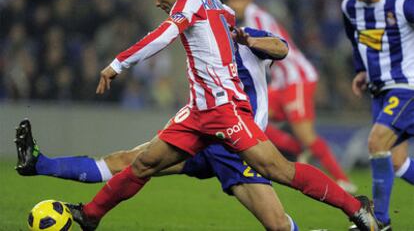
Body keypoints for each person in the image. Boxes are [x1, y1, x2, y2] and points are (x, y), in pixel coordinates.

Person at [22, 0, 377, 230]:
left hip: (226, 111)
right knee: (142, 163)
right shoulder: (214, 4)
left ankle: (354, 207)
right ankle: (90, 216)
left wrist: (118, 64)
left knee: (279, 172)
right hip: (198, 113)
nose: (159, 3)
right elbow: (221, 17)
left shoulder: (192, 2)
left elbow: (165, 35)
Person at [15, 26, 300, 231]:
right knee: (129, 162)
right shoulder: (200, 46)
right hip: (202, 139)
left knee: (277, 224)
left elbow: (282, 48)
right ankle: (39, 164)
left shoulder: (244, 37)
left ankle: (342, 211)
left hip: (237, 146)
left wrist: (250, 40)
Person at [223, 0, 357, 193]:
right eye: (230, 1)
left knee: (305, 134)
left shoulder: (256, 17)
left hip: (296, 77)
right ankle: (298, 151)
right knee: (253, 118)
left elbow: (273, 47)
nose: (234, 5)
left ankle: (343, 180)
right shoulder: (248, 19)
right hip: (280, 82)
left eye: (237, 0)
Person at [342, 0, 414, 229]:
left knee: (376, 143)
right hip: (379, 91)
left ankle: (379, 221)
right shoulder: (350, 7)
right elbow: (354, 39)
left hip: (407, 87)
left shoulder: (403, 3)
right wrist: (361, 70)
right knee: (397, 162)